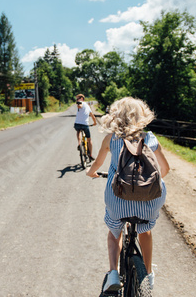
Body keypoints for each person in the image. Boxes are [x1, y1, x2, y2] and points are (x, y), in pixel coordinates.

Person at [86, 97, 170, 293]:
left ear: (115, 116)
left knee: (115, 232)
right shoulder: (150, 139)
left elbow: (97, 165)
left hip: (118, 201)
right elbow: (165, 169)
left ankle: (113, 273)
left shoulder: (111, 139)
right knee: (144, 230)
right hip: (150, 201)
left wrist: (91, 173)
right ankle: (148, 275)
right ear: (142, 115)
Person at [74, 94, 97, 160]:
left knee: (78, 131)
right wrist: (95, 123)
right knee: (89, 140)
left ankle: (79, 144)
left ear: (82, 98)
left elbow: (80, 105)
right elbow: (92, 116)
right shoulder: (87, 106)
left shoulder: (82, 103)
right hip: (85, 125)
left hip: (77, 124)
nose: (77, 100)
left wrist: (79, 104)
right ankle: (90, 154)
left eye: (78, 98)